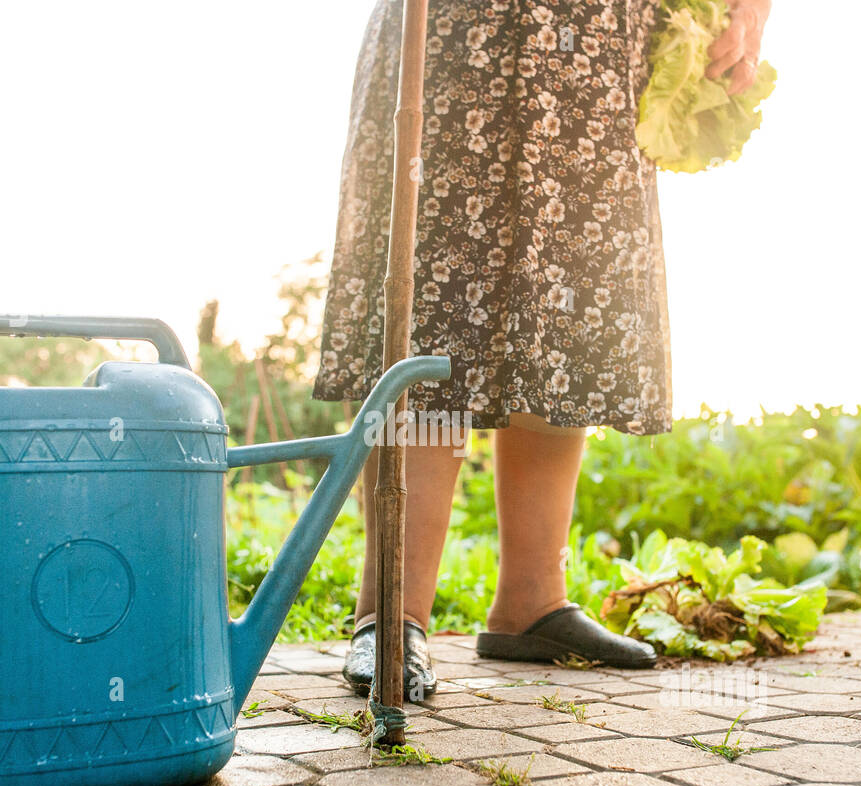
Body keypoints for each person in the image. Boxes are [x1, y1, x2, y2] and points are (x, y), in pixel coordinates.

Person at [313, 0, 772, 697]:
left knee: (567, 298)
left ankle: (532, 600)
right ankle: (392, 612)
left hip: (591, 37)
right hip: (452, 26)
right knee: (440, 284)